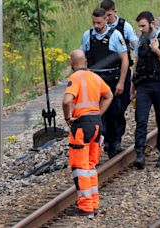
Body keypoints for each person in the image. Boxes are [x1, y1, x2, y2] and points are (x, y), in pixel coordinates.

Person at [62, 50, 113, 217]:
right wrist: (98, 113)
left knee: (80, 168)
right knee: (91, 166)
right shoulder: (95, 77)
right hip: (96, 124)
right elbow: (108, 95)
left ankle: (85, 207)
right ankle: (93, 203)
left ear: (72, 62)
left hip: (81, 126)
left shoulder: (75, 78)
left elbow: (67, 100)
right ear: (85, 61)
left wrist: (68, 117)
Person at [81, 8, 129, 159]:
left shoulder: (115, 35)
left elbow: (124, 60)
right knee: (96, 115)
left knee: (114, 113)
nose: (96, 25)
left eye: (99, 22)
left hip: (111, 81)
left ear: (106, 20)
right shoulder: (87, 35)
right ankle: (99, 145)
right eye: (94, 22)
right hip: (94, 80)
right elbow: (82, 58)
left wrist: (121, 82)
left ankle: (114, 142)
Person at [131, 11, 160, 169]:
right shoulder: (141, 40)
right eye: (139, 26)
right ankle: (140, 153)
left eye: (143, 26)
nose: (141, 29)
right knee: (141, 119)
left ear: (152, 23)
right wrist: (132, 87)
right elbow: (137, 63)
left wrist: (156, 50)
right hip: (143, 84)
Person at [100, 0, 138, 152]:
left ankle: (116, 137)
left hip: (122, 72)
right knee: (106, 108)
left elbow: (136, 46)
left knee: (120, 106)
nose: (107, 19)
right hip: (105, 75)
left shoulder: (125, 26)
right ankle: (110, 139)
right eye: (105, 16)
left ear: (114, 12)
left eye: (109, 15)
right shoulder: (99, 29)